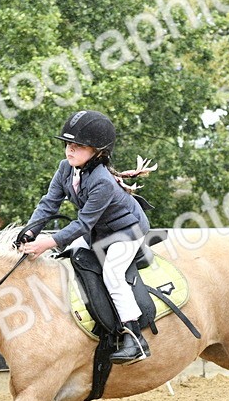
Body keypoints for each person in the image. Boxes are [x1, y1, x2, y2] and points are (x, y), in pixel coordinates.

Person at [17, 110, 156, 364]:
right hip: (99, 231)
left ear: (99, 152)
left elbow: (83, 223)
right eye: (68, 144)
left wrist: (47, 242)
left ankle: (134, 338)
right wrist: (30, 230)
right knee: (67, 257)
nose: (70, 150)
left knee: (112, 274)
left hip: (127, 231)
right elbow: (49, 203)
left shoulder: (102, 180)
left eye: (78, 146)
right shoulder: (65, 169)